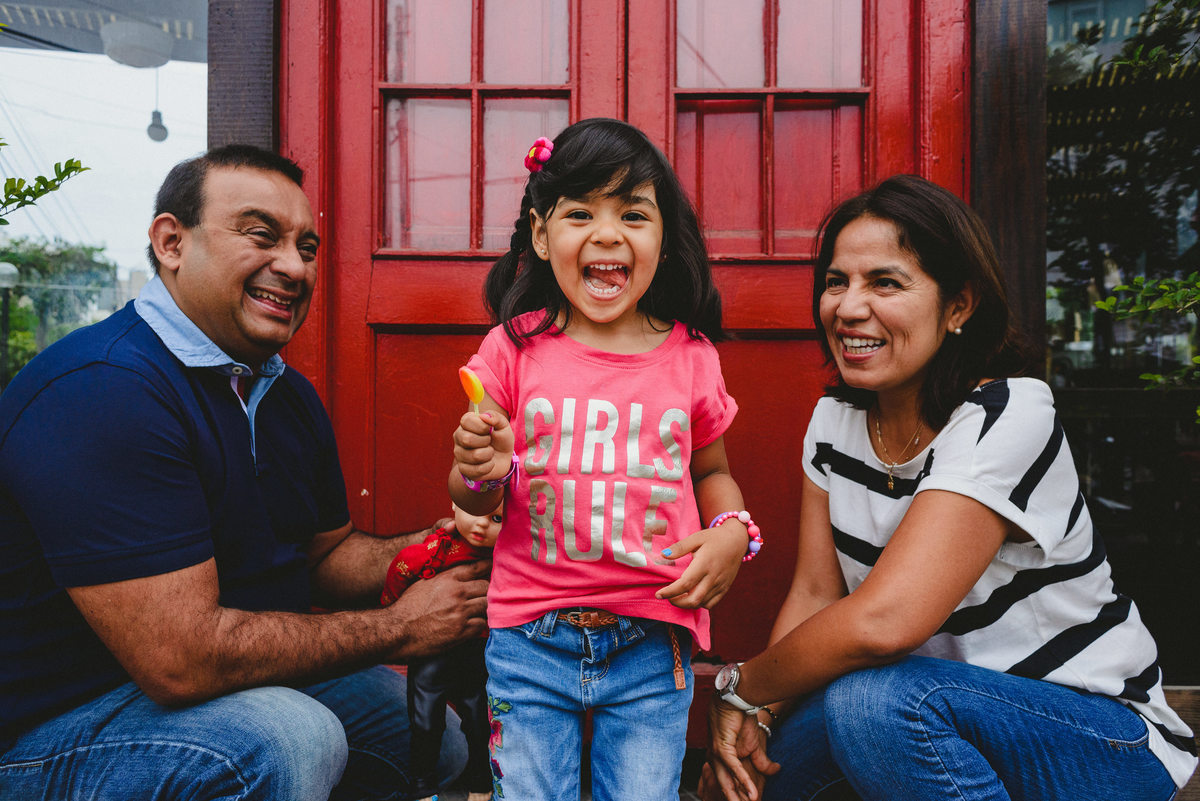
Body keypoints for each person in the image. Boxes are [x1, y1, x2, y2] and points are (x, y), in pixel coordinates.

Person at [0, 144, 489, 800]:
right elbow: (182, 659)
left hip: (198, 695)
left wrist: (436, 545)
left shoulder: (282, 395)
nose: (292, 265)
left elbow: (325, 556)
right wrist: (401, 626)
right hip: (49, 731)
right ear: (172, 242)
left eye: (307, 246)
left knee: (432, 733)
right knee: (289, 736)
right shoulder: (103, 388)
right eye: (261, 235)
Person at [700, 174, 1198, 801]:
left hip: (1099, 736)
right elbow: (815, 592)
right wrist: (759, 715)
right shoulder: (835, 424)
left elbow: (886, 624)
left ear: (959, 306)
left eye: (885, 282)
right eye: (836, 281)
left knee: (870, 702)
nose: (849, 307)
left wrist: (740, 685)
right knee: (737, 786)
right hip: (926, 712)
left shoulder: (1010, 413)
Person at [449, 117, 760, 801]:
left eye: (633, 214)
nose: (608, 233)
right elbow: (473, 500)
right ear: (541, 233)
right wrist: (479, 468)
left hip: (654, 642)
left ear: (662, 238)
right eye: (581, 212)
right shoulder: (512, 350)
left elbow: (711, 471)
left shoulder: (692, 357)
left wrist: (733, 528)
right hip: (529, 640)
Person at [379, 502, 503, 801]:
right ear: (455, 505)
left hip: (477, 651)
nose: (482, 524)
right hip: (432, 651)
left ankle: (481, 786)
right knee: (425, 722)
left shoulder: (507, 554)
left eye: (497, 518)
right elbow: (402, 567)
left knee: (480, 720)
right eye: (474, 511)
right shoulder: (435, 552)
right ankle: (424, 789)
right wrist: (394, 611)